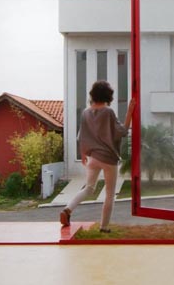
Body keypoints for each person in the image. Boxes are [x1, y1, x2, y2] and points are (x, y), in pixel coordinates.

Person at [60, 80, 136, 233]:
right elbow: (121, 131)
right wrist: (129, 113)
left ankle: (68, 209)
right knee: (109, 194)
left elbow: (82, 135)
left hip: (93, 158)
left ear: (93, 95)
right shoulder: (108, 112)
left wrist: (83, 153)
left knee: (89, 188)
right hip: (108, 159)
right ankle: (104, 227)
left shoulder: (86, 112)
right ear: (108, 96)